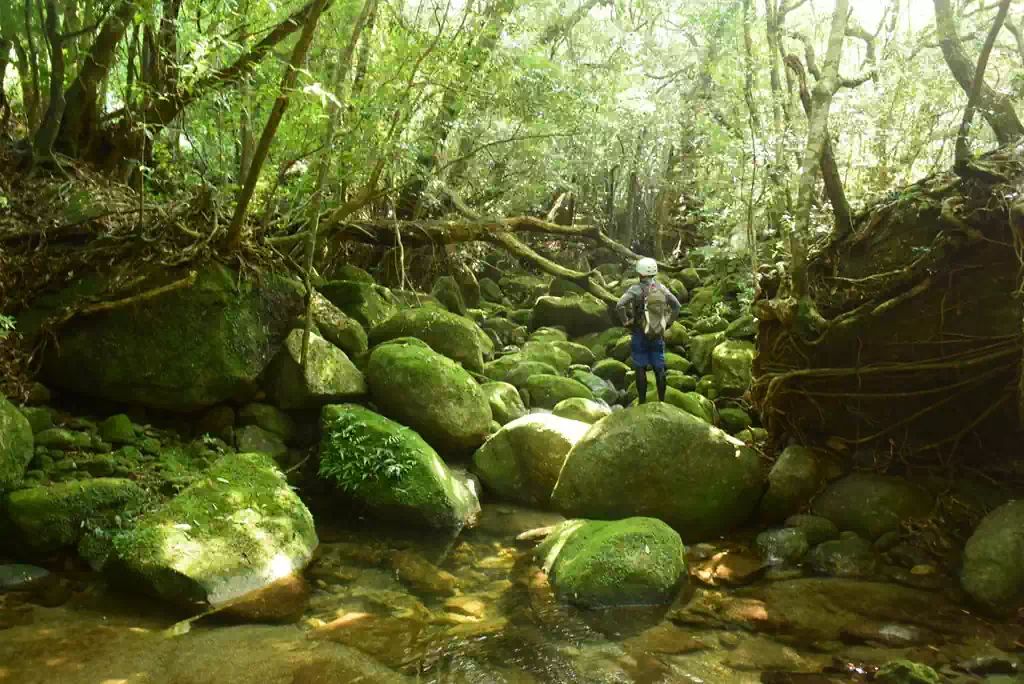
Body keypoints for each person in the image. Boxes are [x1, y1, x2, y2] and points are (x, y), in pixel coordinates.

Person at [615, 257, 681, 404]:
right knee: (659, 368)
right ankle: (661, 402)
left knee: (640, 367)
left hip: (639, 333)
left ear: (640, 272)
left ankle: (643, 402)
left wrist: (626, 322)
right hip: (657, 333)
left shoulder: (635, 289)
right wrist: (667, 323)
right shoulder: (661, 288)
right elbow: (677, 306)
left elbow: (620, 305)